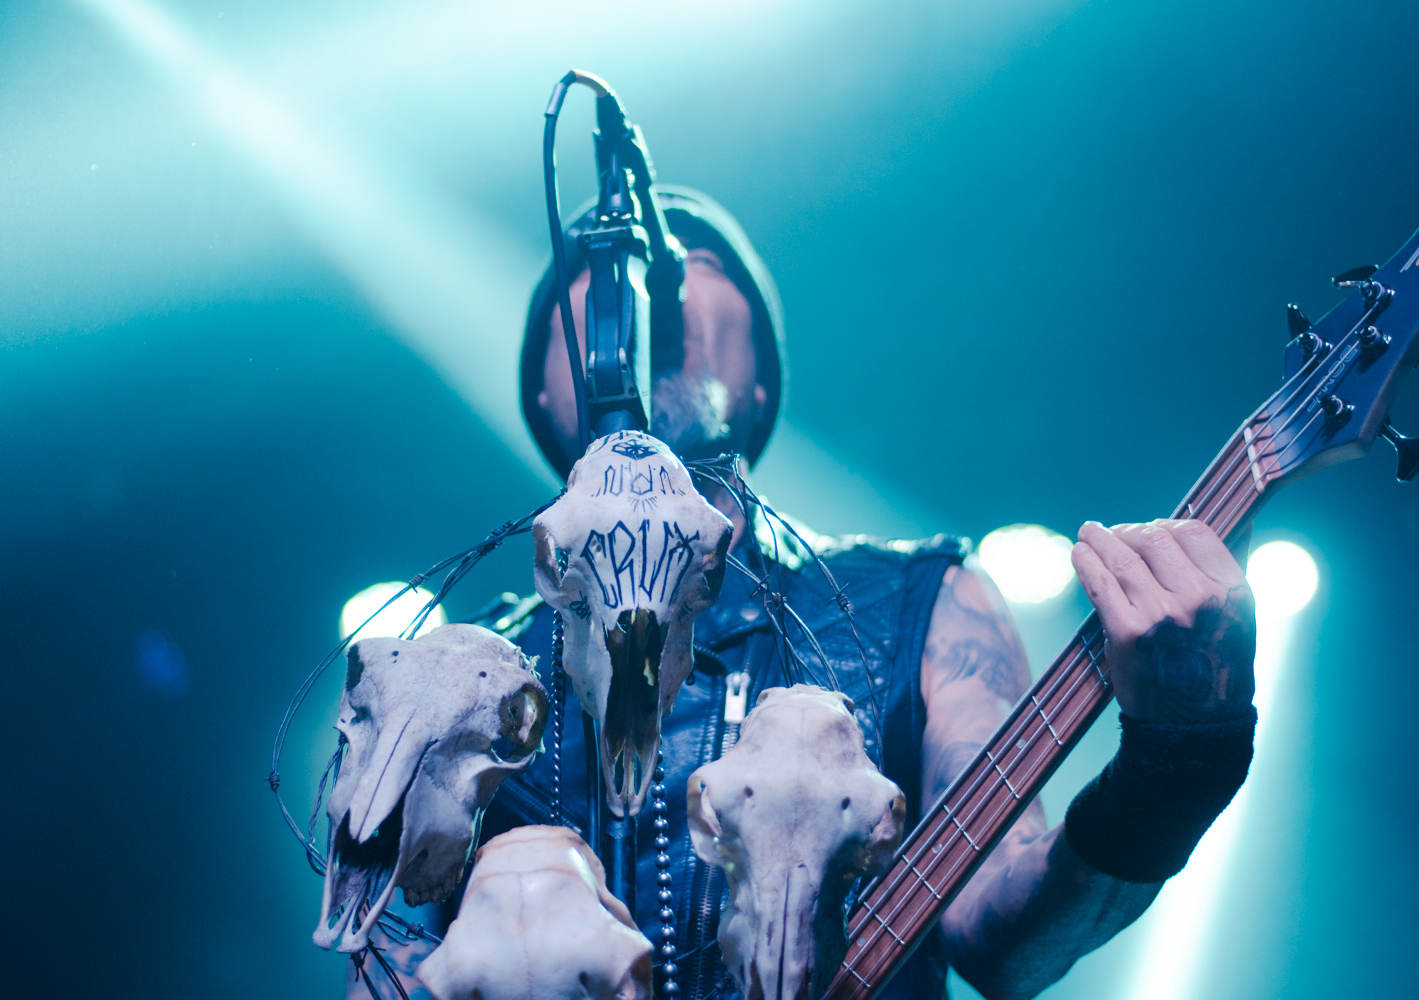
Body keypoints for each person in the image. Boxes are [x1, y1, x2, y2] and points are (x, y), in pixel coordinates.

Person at [354, 189, 1257, 1000]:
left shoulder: (917, 599)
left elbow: (1004, 944)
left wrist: (1174, 769)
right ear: (546, 396)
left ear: (760, 380)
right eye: (595, 284)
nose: (650, 296)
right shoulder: (456, 685)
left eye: (695, 266)